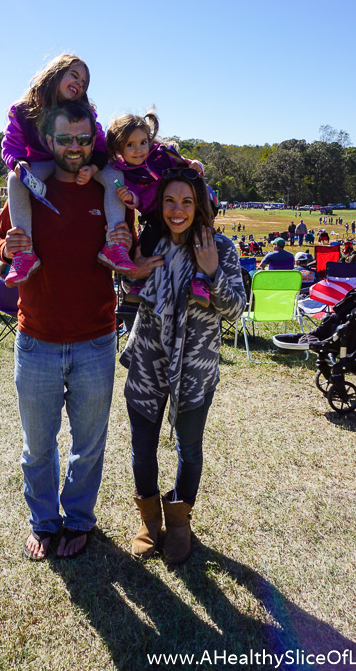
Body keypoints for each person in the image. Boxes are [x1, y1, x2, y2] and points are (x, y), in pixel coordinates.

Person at [0, 101, 135, 562]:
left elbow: (127, 245)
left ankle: (79, 520)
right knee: (37, 447)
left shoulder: (106, 189)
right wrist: (6, 248)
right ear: (49, 141)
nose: (75, 148)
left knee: (89, 445)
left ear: (96, 141)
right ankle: (44, 522)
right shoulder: (30, 185)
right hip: (37, 342)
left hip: (95, 339)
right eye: (65, 139)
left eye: (83, 139)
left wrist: (127, 239)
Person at [120, 169, 246, 564]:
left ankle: (179, 522)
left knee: (188, 448)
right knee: (142, 449)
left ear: (199, 205)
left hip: (195, 364)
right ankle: (150, 522)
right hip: (148, 358)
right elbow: (131, 290)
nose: (178, 210)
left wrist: (211, 271)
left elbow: (235, 308)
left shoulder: (219, 247)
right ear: (160, 205)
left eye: (187, 201)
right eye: (170, 201)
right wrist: (131, 276)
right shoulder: (152, 240)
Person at [1, 54, 136, 286]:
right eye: (74, 75)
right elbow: (10, 146)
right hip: (42, 165)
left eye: (83, 82)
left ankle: (115, 246)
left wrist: (93, 167)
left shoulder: (86, 112)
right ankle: (24, 254)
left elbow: (102, 145)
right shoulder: (23, 110)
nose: (79, 83)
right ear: (55, 73)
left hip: (81, 164)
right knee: (14, 180)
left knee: (115, 175)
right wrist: (19, 164)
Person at [105, 111, 208, 305]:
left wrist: (196, 164)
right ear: (118, 148)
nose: (139, 150)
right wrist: (129, 198)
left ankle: (200, 281)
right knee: (146, 243)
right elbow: (136, 200)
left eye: (143, 142)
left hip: (180, 207)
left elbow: (186, 164)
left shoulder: (161, 154)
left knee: (199, 240)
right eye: (130, 145)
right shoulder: (124, 172)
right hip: (154, 214)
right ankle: (140, 283)